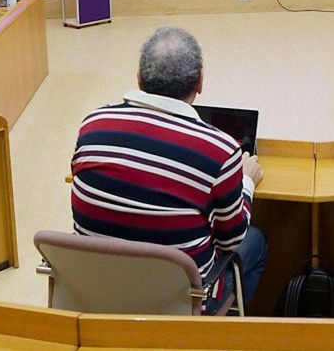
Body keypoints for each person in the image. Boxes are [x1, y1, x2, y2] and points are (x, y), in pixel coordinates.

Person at [71, 27, 267, 311]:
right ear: (200, 82)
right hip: (179, 306)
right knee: (256, 241)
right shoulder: (219, 150)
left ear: (138, 80)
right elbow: (231, 237)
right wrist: (246, 181)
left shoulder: (92, 125)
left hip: (98, 296)